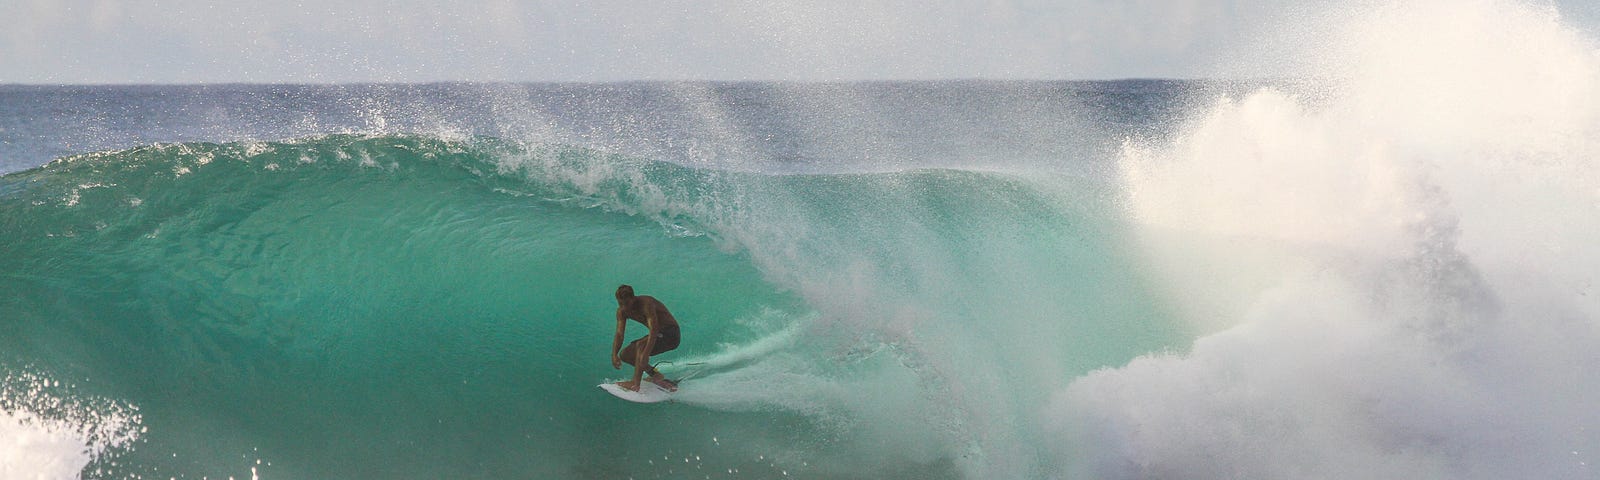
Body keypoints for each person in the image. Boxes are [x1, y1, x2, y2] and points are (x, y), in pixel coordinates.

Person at [610, 284, 680, 392]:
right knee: (625, 354)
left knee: (641, 346)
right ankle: (655, 375)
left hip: (671, 334)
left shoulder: (646, 304)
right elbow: (619, 334)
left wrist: (645, 354)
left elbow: (654, 329)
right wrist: (614, 354)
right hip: (658, 335)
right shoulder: (622, 311)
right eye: (620, 303)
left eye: (627, 303)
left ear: (633, 298)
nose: (624, 307)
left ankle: (635, 384)